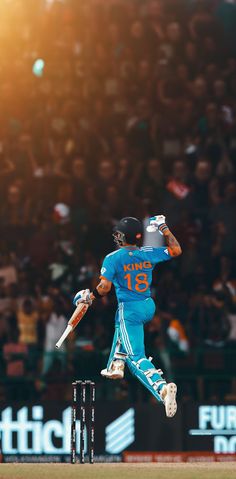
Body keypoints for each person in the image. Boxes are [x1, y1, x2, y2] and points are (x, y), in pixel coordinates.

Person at [73, 215, 182, 417]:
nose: (116, 236)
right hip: (148, 306)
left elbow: (104, 288)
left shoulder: (113, 258)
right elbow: (176, 250)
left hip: (129, 309)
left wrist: (90, 296)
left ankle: (162, 388)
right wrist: (163, 227)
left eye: (119, 233)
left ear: (125, 236)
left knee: (136, 356)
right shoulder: (147, 252)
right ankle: (116, 364)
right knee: (119, 323)